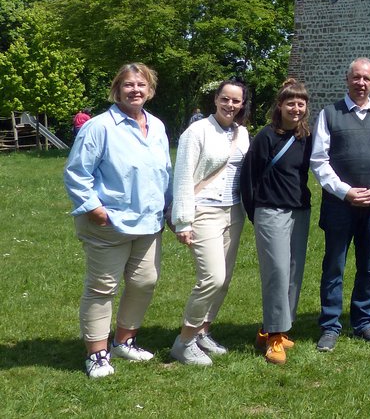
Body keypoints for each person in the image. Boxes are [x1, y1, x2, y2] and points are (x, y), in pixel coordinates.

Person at [63, 63, 172, 379]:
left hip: (149, 223)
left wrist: (168, 209)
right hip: (107, 224)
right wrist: (94, 208)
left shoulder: (158, 126)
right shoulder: (99, 127)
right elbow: (76, 172)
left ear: (149, 90)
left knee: (144, 281)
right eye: (128, 85)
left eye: (141, 84)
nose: (135, 90)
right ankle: (97, 354)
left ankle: (124, 340)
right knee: (102, 287)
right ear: (117, 89)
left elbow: (163, 171)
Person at [310, 58, 370, 351]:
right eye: (356, 78)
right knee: (334, 264)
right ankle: (330, 325)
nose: (361, 83)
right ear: (347, 80)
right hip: (339, 204)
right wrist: (345, 192)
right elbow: (319, 160)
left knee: (368, 265)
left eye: (367, 79)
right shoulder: (329, 114)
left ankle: (363, 322)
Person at [169, 79, 251, 366]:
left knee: (224, 280)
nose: (230, 105)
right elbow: (182, 175)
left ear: (242, 104)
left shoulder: (242, 133)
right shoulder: (197, 131)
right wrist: (183, 222)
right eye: (225, 99)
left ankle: (203, 332)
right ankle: (183, 341)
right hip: (203, 211)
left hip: (234, 211)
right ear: (216, 99)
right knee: (211, 278)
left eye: (236, 101)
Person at [241, 78, 315, 365]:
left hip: (299, 211)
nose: (296, 108)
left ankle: (275, 328)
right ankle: (273, 337)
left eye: (301, 103)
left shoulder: (305, 137)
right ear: (280, 106)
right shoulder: (266, 137)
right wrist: (255, 212)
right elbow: (248, 177)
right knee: (277, 272)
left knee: (294, 274)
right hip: (270, 212)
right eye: (290, 103)